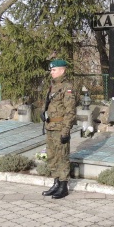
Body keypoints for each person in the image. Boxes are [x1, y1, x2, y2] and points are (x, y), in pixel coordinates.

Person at [41, 59, 76, 199]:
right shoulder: (52, 86)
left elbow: (70, 111)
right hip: (50, 127)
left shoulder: (67, 87)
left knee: (62, 157)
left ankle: (63, 186)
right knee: (52, 156)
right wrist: (43, 113)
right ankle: (56, 183)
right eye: (51, 70)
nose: (51, 72)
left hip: (60, 127)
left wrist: (66, 130)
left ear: (62, 70)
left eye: (54, 70)